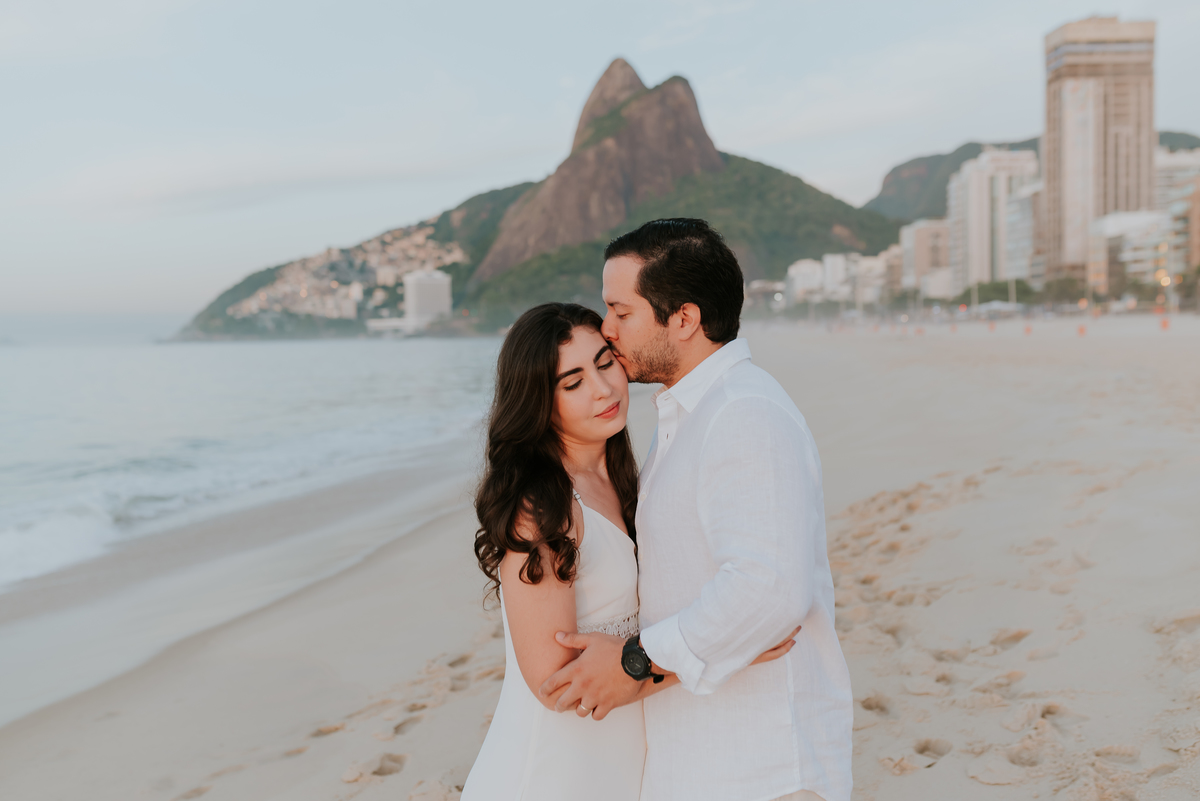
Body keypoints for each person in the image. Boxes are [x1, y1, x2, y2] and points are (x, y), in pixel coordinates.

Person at [538, 219, 854, 801]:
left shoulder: (744, 414)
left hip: (761, 766)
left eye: (621, 312)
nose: (607, 332)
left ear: (683, 319)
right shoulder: (691, 416)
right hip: (708, 758)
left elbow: (768, 589)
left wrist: (636, 662)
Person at [461, 302, 795, 801]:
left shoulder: (626, 481)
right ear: (538, 403)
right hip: (554, 773)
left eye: (604, 363)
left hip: (621, 763)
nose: (602, 389)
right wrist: (716, 652)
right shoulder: (543, 507)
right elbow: (556, 682)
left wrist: (724, 632)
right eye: (572, 383)